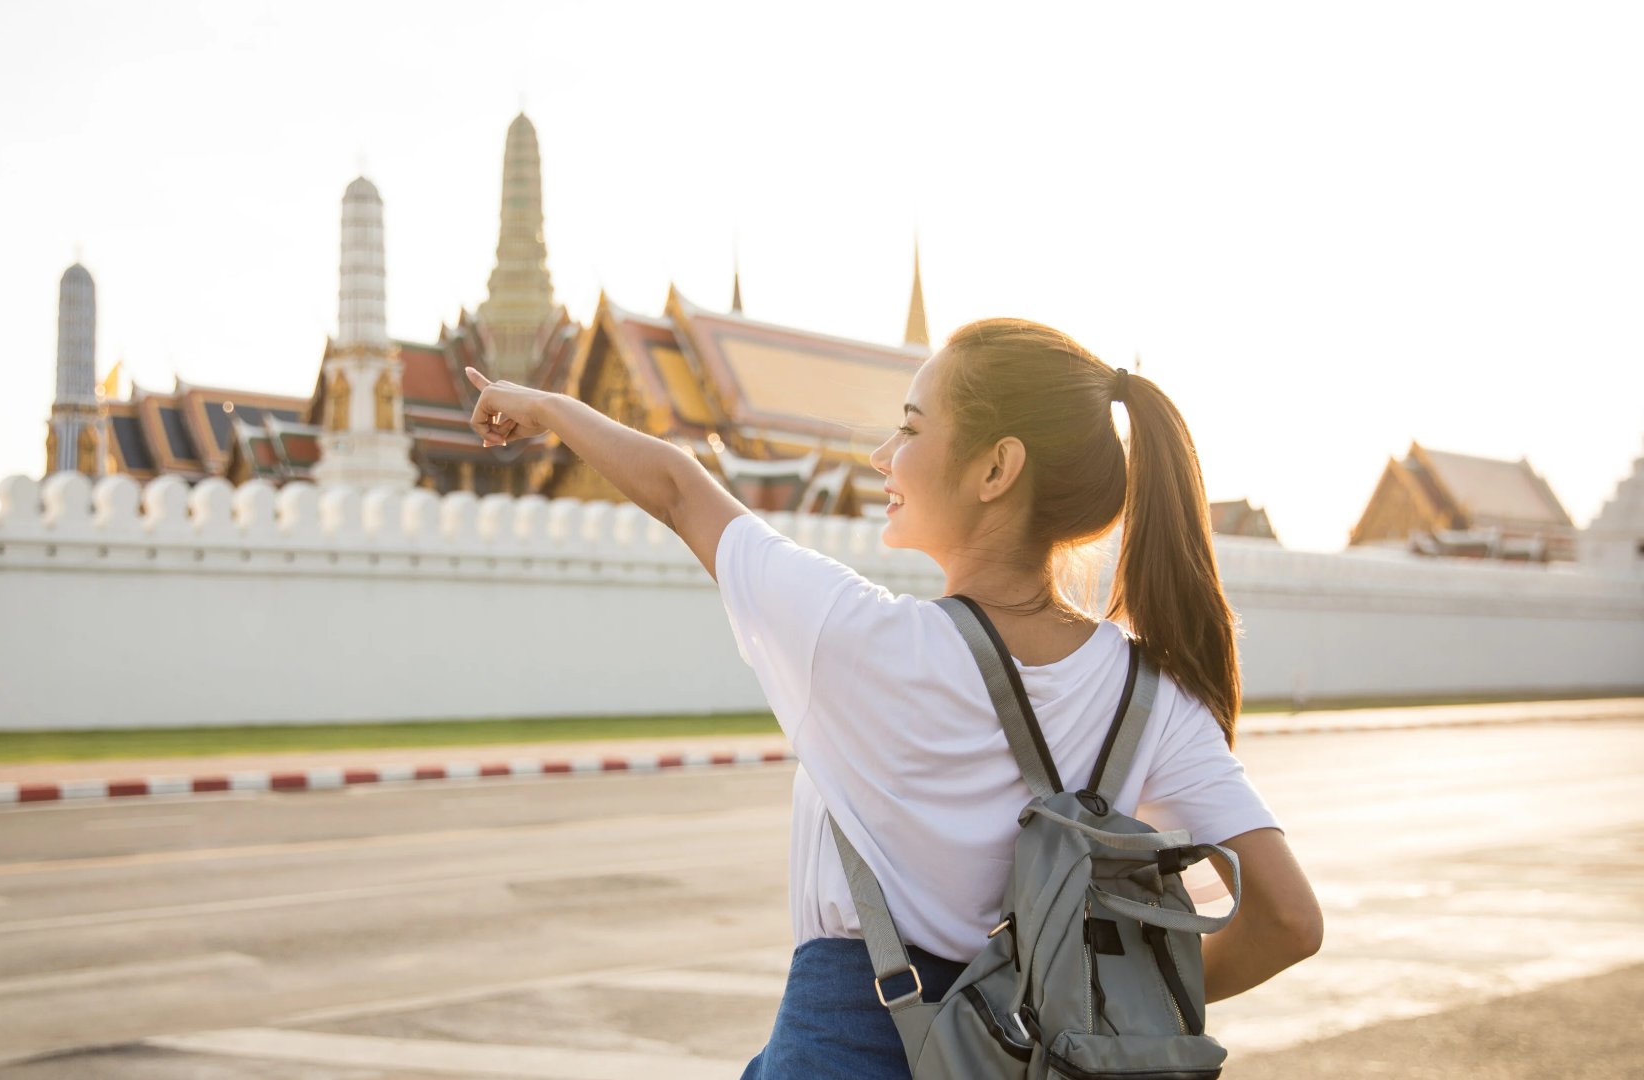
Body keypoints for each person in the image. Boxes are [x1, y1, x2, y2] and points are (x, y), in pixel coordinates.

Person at [464, 317, 1324, 1078]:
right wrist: (1086, 998)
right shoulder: (1154, 695)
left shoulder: (861, 642)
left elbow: (681, 488)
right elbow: (1287, 921)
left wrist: (543, 406)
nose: (882, 456)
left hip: (845, 1047)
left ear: (997, 468)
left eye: (909, 429)